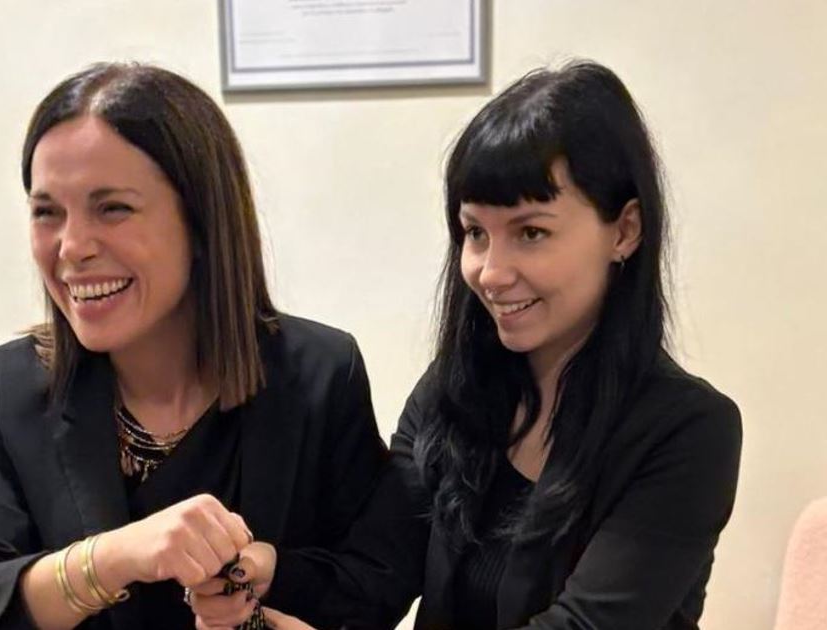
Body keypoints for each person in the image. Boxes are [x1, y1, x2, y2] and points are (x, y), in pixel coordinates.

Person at [191, 60, 743, 630]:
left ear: (624, 231)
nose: (490, 272)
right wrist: (269, 571)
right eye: (476, 232)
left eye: (532, 232)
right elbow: (376, 572)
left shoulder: (689, 430)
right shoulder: (452, 390)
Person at [0, 62, 386, 630]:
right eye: (47, 213)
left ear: (202, 221)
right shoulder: (7, 389)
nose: (72, 247)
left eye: (112, 208)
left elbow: (370, 586)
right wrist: (114, 557)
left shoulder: (319, 375)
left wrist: (269, 576)